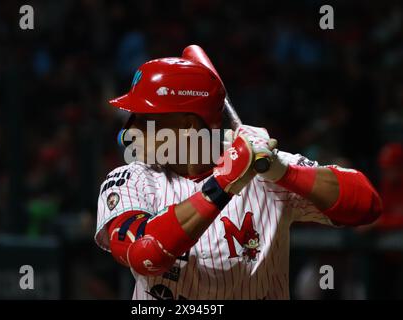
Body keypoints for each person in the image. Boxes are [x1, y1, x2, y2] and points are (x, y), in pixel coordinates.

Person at [94, 56, 382, 300]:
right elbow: (146, 255)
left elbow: (367, 205)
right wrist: (223, 183)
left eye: (143, 118)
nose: (130, 129)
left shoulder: (266, 170)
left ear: (187, 125)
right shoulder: (132, 178)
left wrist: (283, 171)